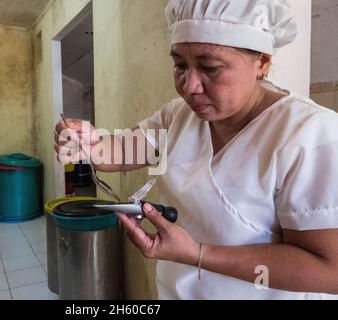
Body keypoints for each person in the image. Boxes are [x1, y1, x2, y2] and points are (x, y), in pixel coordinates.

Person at [55, 0, 338, 300]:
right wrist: (87, 143)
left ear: (262, 63)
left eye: (210, 67)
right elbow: (117, 152)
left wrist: (197, 255)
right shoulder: (179, 115)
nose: (189, 86)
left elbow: (329, 270)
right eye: (180, 65)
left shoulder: (310, 134)